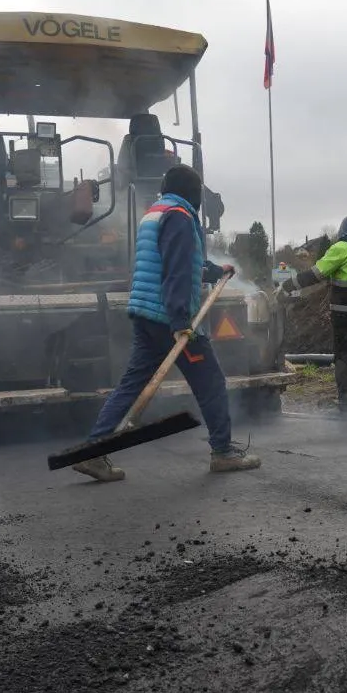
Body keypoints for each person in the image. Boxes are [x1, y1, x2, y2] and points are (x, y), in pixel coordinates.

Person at [72, 164, 261, 482]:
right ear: (192, 193)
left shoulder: (155, 214)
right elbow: (177, 270)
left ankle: (94, 451)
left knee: (131, 384)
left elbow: (181, 262)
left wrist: (215, 271)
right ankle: (223, 452)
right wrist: (179, 321)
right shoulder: (181, 217)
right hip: (169, 318)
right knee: (211, 382)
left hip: (146, 313)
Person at [279, 215, 347, 413]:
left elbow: (316, 274)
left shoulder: (341, 248)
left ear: (343, 233)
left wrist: (288, 285)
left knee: (345, 358)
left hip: (344, 317)